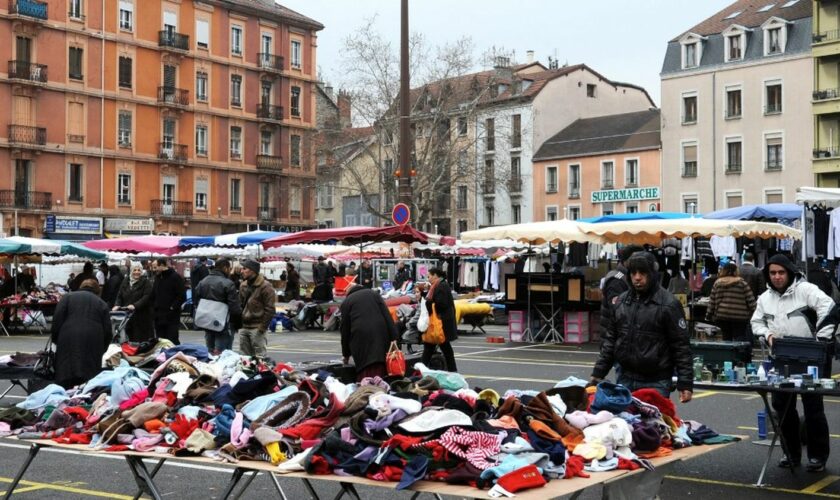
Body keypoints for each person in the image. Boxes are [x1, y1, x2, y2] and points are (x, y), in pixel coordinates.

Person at [751, 254, 835, 472]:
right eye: (773, 273)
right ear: (768, 275)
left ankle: (818, 456)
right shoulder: (764, 298)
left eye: (781, 272)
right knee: (783, 407)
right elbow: (756, 322)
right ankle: (791, 454)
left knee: (813, 408)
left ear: (789, 272)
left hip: (810, 356)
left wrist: (822, 338)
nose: (777, 277)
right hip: (780, 357)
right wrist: (767, 334)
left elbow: (829, 307)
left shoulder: (806, 290)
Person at [591, 251, 693, 401]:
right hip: (625, 377)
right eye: (633, 273)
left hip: (656, 381)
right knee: (626, 422)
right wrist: (598, 372)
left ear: (652, 274)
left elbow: (681, 346)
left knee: (652, 423)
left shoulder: (669, 304)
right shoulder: (622, 301)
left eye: (642, 273)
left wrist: (685, 383)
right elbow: (611, 340)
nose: (637, 277)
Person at [51, 279, 112, 389]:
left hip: (67, 339)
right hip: (93, 341)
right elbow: (108, 330)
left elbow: (57, 320)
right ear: (97, 290)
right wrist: (102, 348)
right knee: (89, 379)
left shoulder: (67, 298)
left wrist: (56, 339)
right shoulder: (101, 303)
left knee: (66, 374)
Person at [340, 283, 398, 380]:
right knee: (381, 364)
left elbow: (345, 330)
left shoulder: (347, 302)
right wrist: (394, 337)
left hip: (360, 338)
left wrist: (346, 354)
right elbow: (387, 316)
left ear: (348, 293)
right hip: (381, 333)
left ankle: (369, 388)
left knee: (366, 370)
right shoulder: (374, 293)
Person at [193, 258, 242, 355]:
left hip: (207, 322)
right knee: (224, 353)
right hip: (224, 324)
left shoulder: (203, 282)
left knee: (210, 352)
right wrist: (238, 324)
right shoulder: (228, 283)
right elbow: (234, 308)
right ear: (225, 268)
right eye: (229, 268)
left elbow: (196, 301)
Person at [706, 263, 756, 343]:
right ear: (736, 271)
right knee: (739, 337)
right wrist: (753, 314)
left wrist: (708, 315)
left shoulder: (718, 283)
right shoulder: (742, 283)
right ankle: (738, 354)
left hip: (722, 316)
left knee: (726, 337)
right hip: (740, 317)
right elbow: (751, 301)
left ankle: (728, 354)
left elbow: (712, 301)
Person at [421, 267, 458, 372]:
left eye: (429, 276)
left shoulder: (440, 286)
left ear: (435, 275)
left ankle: (421, 371)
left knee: (434, 347)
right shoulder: (439, 285)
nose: (428, 279)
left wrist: (429, 303)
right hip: (441, 322)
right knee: (439, 348)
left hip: (441, 322)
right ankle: (452, 371)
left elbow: (440, 304)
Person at [238, 259, 276, 357]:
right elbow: (240, 305)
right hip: (244, 327)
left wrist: (262, 328)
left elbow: (270, 309)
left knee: (260, 358)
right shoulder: (243, 285)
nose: (241, 271)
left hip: (257, 327)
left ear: (252, 270)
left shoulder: (266, 286)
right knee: (244, 358)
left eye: (244, 268)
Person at [114, 262, 154, 342]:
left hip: (141, 316)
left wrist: (135, 305)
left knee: (139, 338)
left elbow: (146, 297)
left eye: (139, 270)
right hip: (127, 315)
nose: (137, 272)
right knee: (127, 336)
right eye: (135, 270)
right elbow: (120, 295)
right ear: (131, 271)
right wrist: (117, 305)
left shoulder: (146, 282)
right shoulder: (125, 281)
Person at [151, 258, 185, 344]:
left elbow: (181, 295)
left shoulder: (175, 277)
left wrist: (172, 307)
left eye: (156, 267)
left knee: (172, 339)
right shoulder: (158, 277)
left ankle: (174, 355)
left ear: (162, 265)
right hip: (158, 314)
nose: (154, 270)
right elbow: (153, 294)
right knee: (160, 340)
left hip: (171, 315)